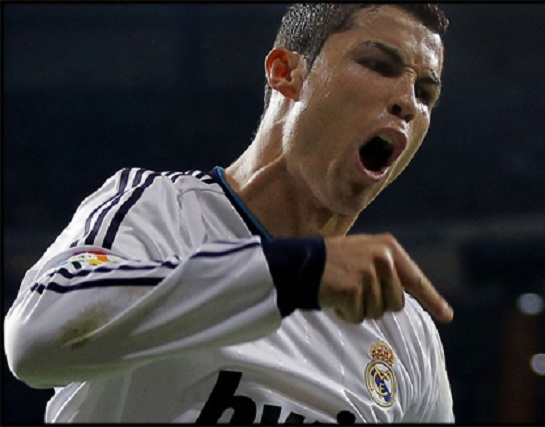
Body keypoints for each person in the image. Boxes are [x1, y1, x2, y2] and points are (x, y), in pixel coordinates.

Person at [4, 3, 455, 423]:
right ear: (286, 73)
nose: (407, 102)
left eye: (425, 92)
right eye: (378, 65)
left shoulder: (404, 332)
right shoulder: (156, 210)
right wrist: (293, 274)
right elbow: (35, 340)